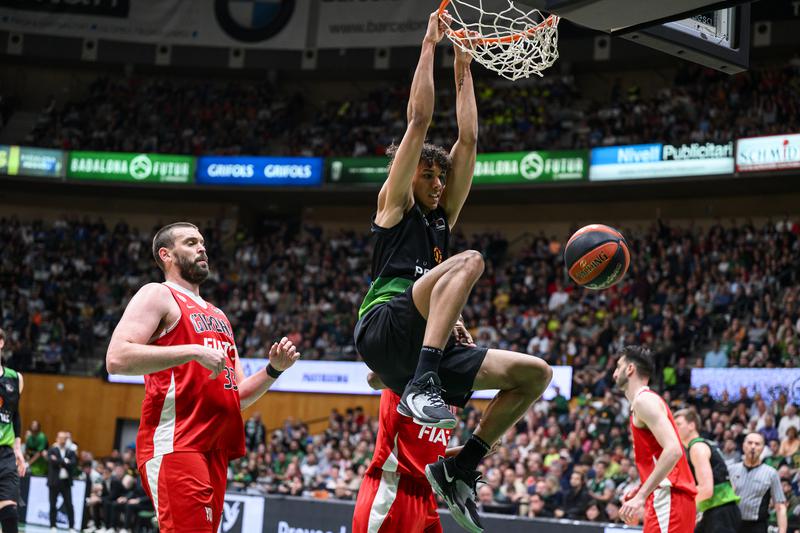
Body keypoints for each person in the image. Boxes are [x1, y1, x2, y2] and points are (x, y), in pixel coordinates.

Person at [353, 12, 552, 533]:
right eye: (429, 173)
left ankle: (461, 466)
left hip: (417, 346)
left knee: (535, 375)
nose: (439, 182)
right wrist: (428, 47)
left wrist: (465, 65)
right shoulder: (393, 207)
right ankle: (424, 378)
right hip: (384, 325)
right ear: (409, 173)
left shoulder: (442, 218)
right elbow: (419, 121)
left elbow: (469, 139)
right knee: (472, 260)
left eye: (443, 175)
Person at [106, 222, 301, 533]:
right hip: (176, 442)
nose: (202, 248)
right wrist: (192, 351)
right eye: (191, 242)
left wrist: (273, 370)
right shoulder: (158, 294)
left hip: (214, 448)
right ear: (166, 255)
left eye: (202, 242)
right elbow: (116, 359)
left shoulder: (219, 315)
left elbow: (235, 395)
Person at [352, 372, 464, 533]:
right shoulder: (408, 363)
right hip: (393, 488)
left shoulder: (448, 381)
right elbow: (373, 379)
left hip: (424, 491)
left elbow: (426, 453)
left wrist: (474, 448)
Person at [613, 345, 698, 532]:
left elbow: (674, 450)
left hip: (670, 497)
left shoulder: (644, 400)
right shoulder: (642, 402)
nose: (614, 373)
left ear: (630, 369)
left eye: (618, 367)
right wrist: (643, 489)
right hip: (665, 497)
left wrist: (642, 495)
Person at [674, 408, 741, 533]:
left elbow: (706, 489)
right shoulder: (700, 446)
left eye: (678, 424)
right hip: (716, 511)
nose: (674, 428)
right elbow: (731, 484)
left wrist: (679, 506)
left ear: (691, 425)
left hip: (720, 513)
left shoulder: (697, 448)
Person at [728, 432, 787, 533]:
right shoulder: (731, 470)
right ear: (743, 446)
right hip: (733, 524)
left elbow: (780, 506)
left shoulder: (771, 473)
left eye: (757, 444)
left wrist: (782, 531)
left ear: (763, 448)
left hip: (757, 526)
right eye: (750, 443)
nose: (753, 446)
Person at [0, 328, 25, 533]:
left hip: (5, 454)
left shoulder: (15, 378)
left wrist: (18, 449)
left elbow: (15, 415)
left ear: (1, 343)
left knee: (10, 514)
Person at [47, 431, 77, 533]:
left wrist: (60, 461)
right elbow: (52, 462)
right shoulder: (52, 450)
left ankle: (72, 527)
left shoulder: (70, 451)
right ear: (57, 438)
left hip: (66, 482)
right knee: (52, 504)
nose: (63, 440)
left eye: (65, 438)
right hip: (54, 482)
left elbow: (73, 464)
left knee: (69, 505)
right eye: (61, 438)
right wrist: (65, 461)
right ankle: (53, 526)